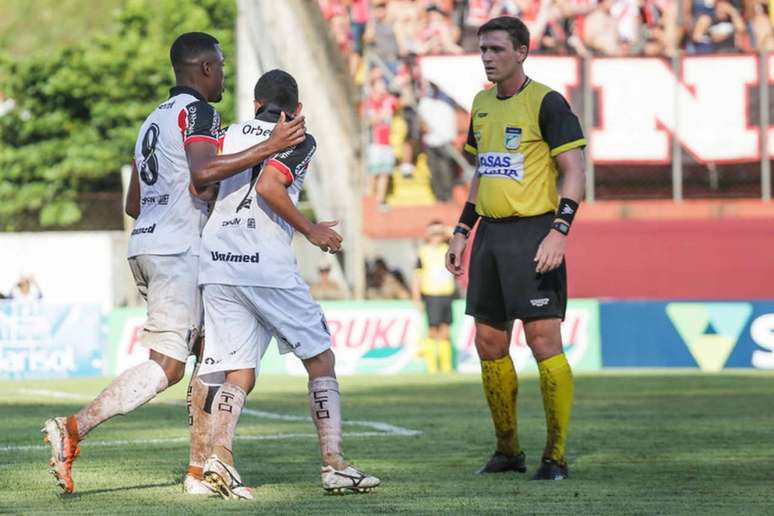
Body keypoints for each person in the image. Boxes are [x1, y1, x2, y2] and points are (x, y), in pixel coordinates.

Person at [41, 32, 306, 495]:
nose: (224, 74)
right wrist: (268, 147)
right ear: (204, 68)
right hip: (178, 250)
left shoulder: (151, 120)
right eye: (221, 65)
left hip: (147, 241)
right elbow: (203, 174)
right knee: (168, 365)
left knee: (210, 352)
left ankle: (198, 471)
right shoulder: (199, 111)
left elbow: (132, 202)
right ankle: (73, 428)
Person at [194, 69, 380, 499]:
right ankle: (334, 464)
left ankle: (219, 457)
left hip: (219, 262)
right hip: (265, 265)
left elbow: (200, 185)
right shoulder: (299, 136)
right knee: (319, 358)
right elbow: (269, 186)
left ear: (256, 104)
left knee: (238, 368)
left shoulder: (227, 134)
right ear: (295, 110)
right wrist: (310, 229)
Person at [446, 16, 586, 481]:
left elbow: (574, 169)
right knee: (489, 343)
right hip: (490, 235)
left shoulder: (547, 103)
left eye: (497, 49)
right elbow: (483, 170)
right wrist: (463, 229)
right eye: (483, 49)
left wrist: (559, 231)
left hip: (535, 231)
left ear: (522, 52)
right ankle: (508, 449)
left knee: (543, 341)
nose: (487, 57)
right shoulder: (482, 103)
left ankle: (556, 455)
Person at [412, 221, 455, 373]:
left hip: (446, 294)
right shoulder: (423, 252)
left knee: (445, 331)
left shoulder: (448, 249)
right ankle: (432, 367)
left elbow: (462, 240)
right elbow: (417, 277)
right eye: (433, 233)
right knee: (432, 331)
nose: (437, 236)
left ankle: (446, 367)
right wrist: (417, 299)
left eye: (439, 233)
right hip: (431, 295)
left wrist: (447, 231)